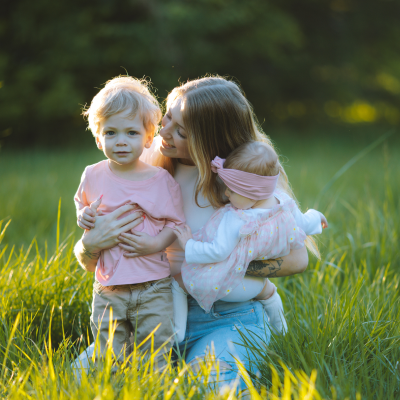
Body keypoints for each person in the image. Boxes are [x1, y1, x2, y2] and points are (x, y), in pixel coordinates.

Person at [73, 76, 311, 392]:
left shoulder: (246, 176)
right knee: (81, 378)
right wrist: (89, 246)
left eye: (181, 131)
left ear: (211, 141)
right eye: (168, 116)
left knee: (210, 387)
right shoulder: (146, 165)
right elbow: (94, 260)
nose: (163, 131)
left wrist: (218, 267)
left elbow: (298, 258)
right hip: (153, 313)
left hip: (229, 319)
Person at [74, 76, 185, 364]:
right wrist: (83, 215)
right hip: (109, 285)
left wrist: (154, 244)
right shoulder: (93, 174)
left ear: (149, 138)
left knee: (156, 350)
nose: (121, 141)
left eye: (131, 133)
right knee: (106, 354)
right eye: (111, 133)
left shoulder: (160, 180)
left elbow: (176, 223)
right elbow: (82, 204)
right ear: (98, 138)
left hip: (153, 286)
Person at [173, 141, 327, 340]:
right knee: (270, 293)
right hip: (254, 286)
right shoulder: (284, 205)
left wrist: (189, 245)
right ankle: (282, 335)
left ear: (252, 194)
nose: (226, 194)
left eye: (232, 190)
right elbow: (304, 223)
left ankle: (177, 334)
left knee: (178, 284)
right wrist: (318, 219)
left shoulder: (237, 218)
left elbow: (218, 251)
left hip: (227, 288)